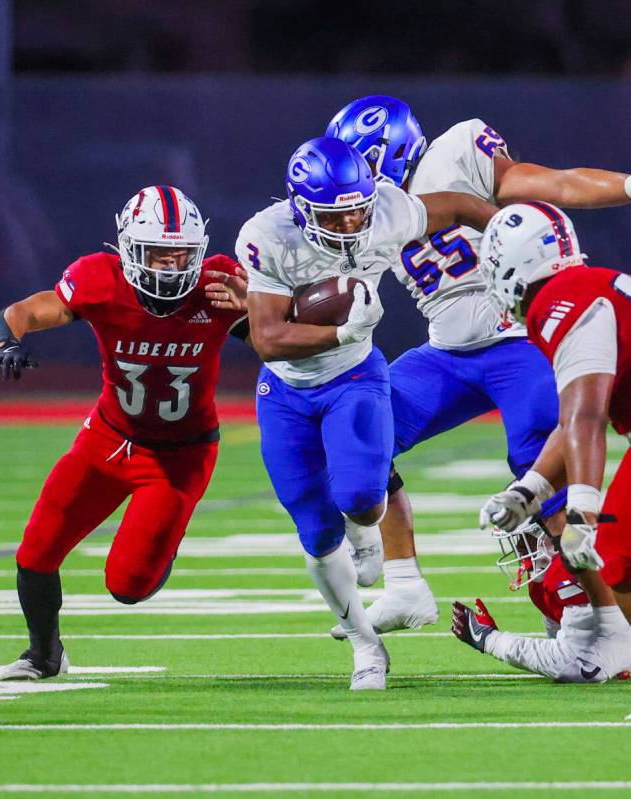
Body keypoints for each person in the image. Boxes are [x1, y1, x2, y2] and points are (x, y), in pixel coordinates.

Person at [326, 95, 631, 637]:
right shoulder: (363, 215)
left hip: (518, 341)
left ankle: (602, 618)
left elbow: (553, 184)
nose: (354, 185)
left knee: (539, 458)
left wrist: (628, 186)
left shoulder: (457, 150)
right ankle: (404, 585)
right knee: (360, 423)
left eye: (360, 166)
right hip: (446, 353)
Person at [236, 136, 496, 689]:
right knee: (315, 532)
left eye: (359, 207)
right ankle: (364, 645)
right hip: (286, 390)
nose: (353, 222)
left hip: (355, 375)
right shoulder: (267, 235)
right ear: (301, 205)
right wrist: (340, 329)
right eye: (339, 212)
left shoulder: (387, 209)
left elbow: (453, 205)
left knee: (360, 495)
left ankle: (369, 538)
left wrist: (505, 232)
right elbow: (267, 338)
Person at [0, 185, 249, 680]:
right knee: (36, 550)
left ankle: (164, 537)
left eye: (181, 254)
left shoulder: (219, 284)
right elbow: (26, 310)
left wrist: (256, 306)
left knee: (128, 585)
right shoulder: (99, 279)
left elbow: (281, 342)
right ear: (128, 248)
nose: (171, 266)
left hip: (180, 456)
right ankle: (43, 654)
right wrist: (5, 340)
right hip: (107, 438)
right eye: (158, 253)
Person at [478, 201, 631, 628]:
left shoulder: (560, 301)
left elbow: (585, 419)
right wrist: (529, 492)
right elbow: (573, 422)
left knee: (618, 556)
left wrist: (581, 514)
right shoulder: (583, 286)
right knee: (620, 557)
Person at [452, 518, 631, 682]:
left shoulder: (571, 570)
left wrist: (491, 640)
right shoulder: (541, 585)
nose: (519, 547)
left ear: (548, 536)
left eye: (526, 537)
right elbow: (563, 647)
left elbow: (573, 664)